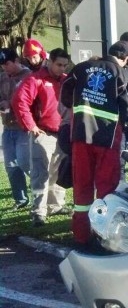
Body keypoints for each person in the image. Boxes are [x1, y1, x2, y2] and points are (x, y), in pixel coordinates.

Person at [60, 41, 128, 246]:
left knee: (82, 185)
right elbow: (127, 108)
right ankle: (104, 236)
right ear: (127, 58)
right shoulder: (121, 73)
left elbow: (65, 94)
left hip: (81, 135)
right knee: (106, 188)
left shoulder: (81, 68)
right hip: (108, 138)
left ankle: (81, 235)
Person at [12, 48, 71, 227]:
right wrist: (31, 126)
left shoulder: (66, 80)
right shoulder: (35, 79)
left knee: (58, 172)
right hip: (43, 132)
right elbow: (19, 101)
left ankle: (55, 205)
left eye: (64, 65)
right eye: (59, 64)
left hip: (61, 132)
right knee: (40, 174)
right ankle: (38, 212)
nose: (61, 68)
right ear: (49, 62)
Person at [0, 48, 32, 210]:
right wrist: (2, 104)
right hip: (8, 127)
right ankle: (20, 199)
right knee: (11, 165)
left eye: (7, 64)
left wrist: (12, 105)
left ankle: (42, 195)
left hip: (24, 128)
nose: (5, 68)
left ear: (17, 61)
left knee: (26, 162)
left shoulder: (29, 76)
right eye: (2, 65)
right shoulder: (2, 77)